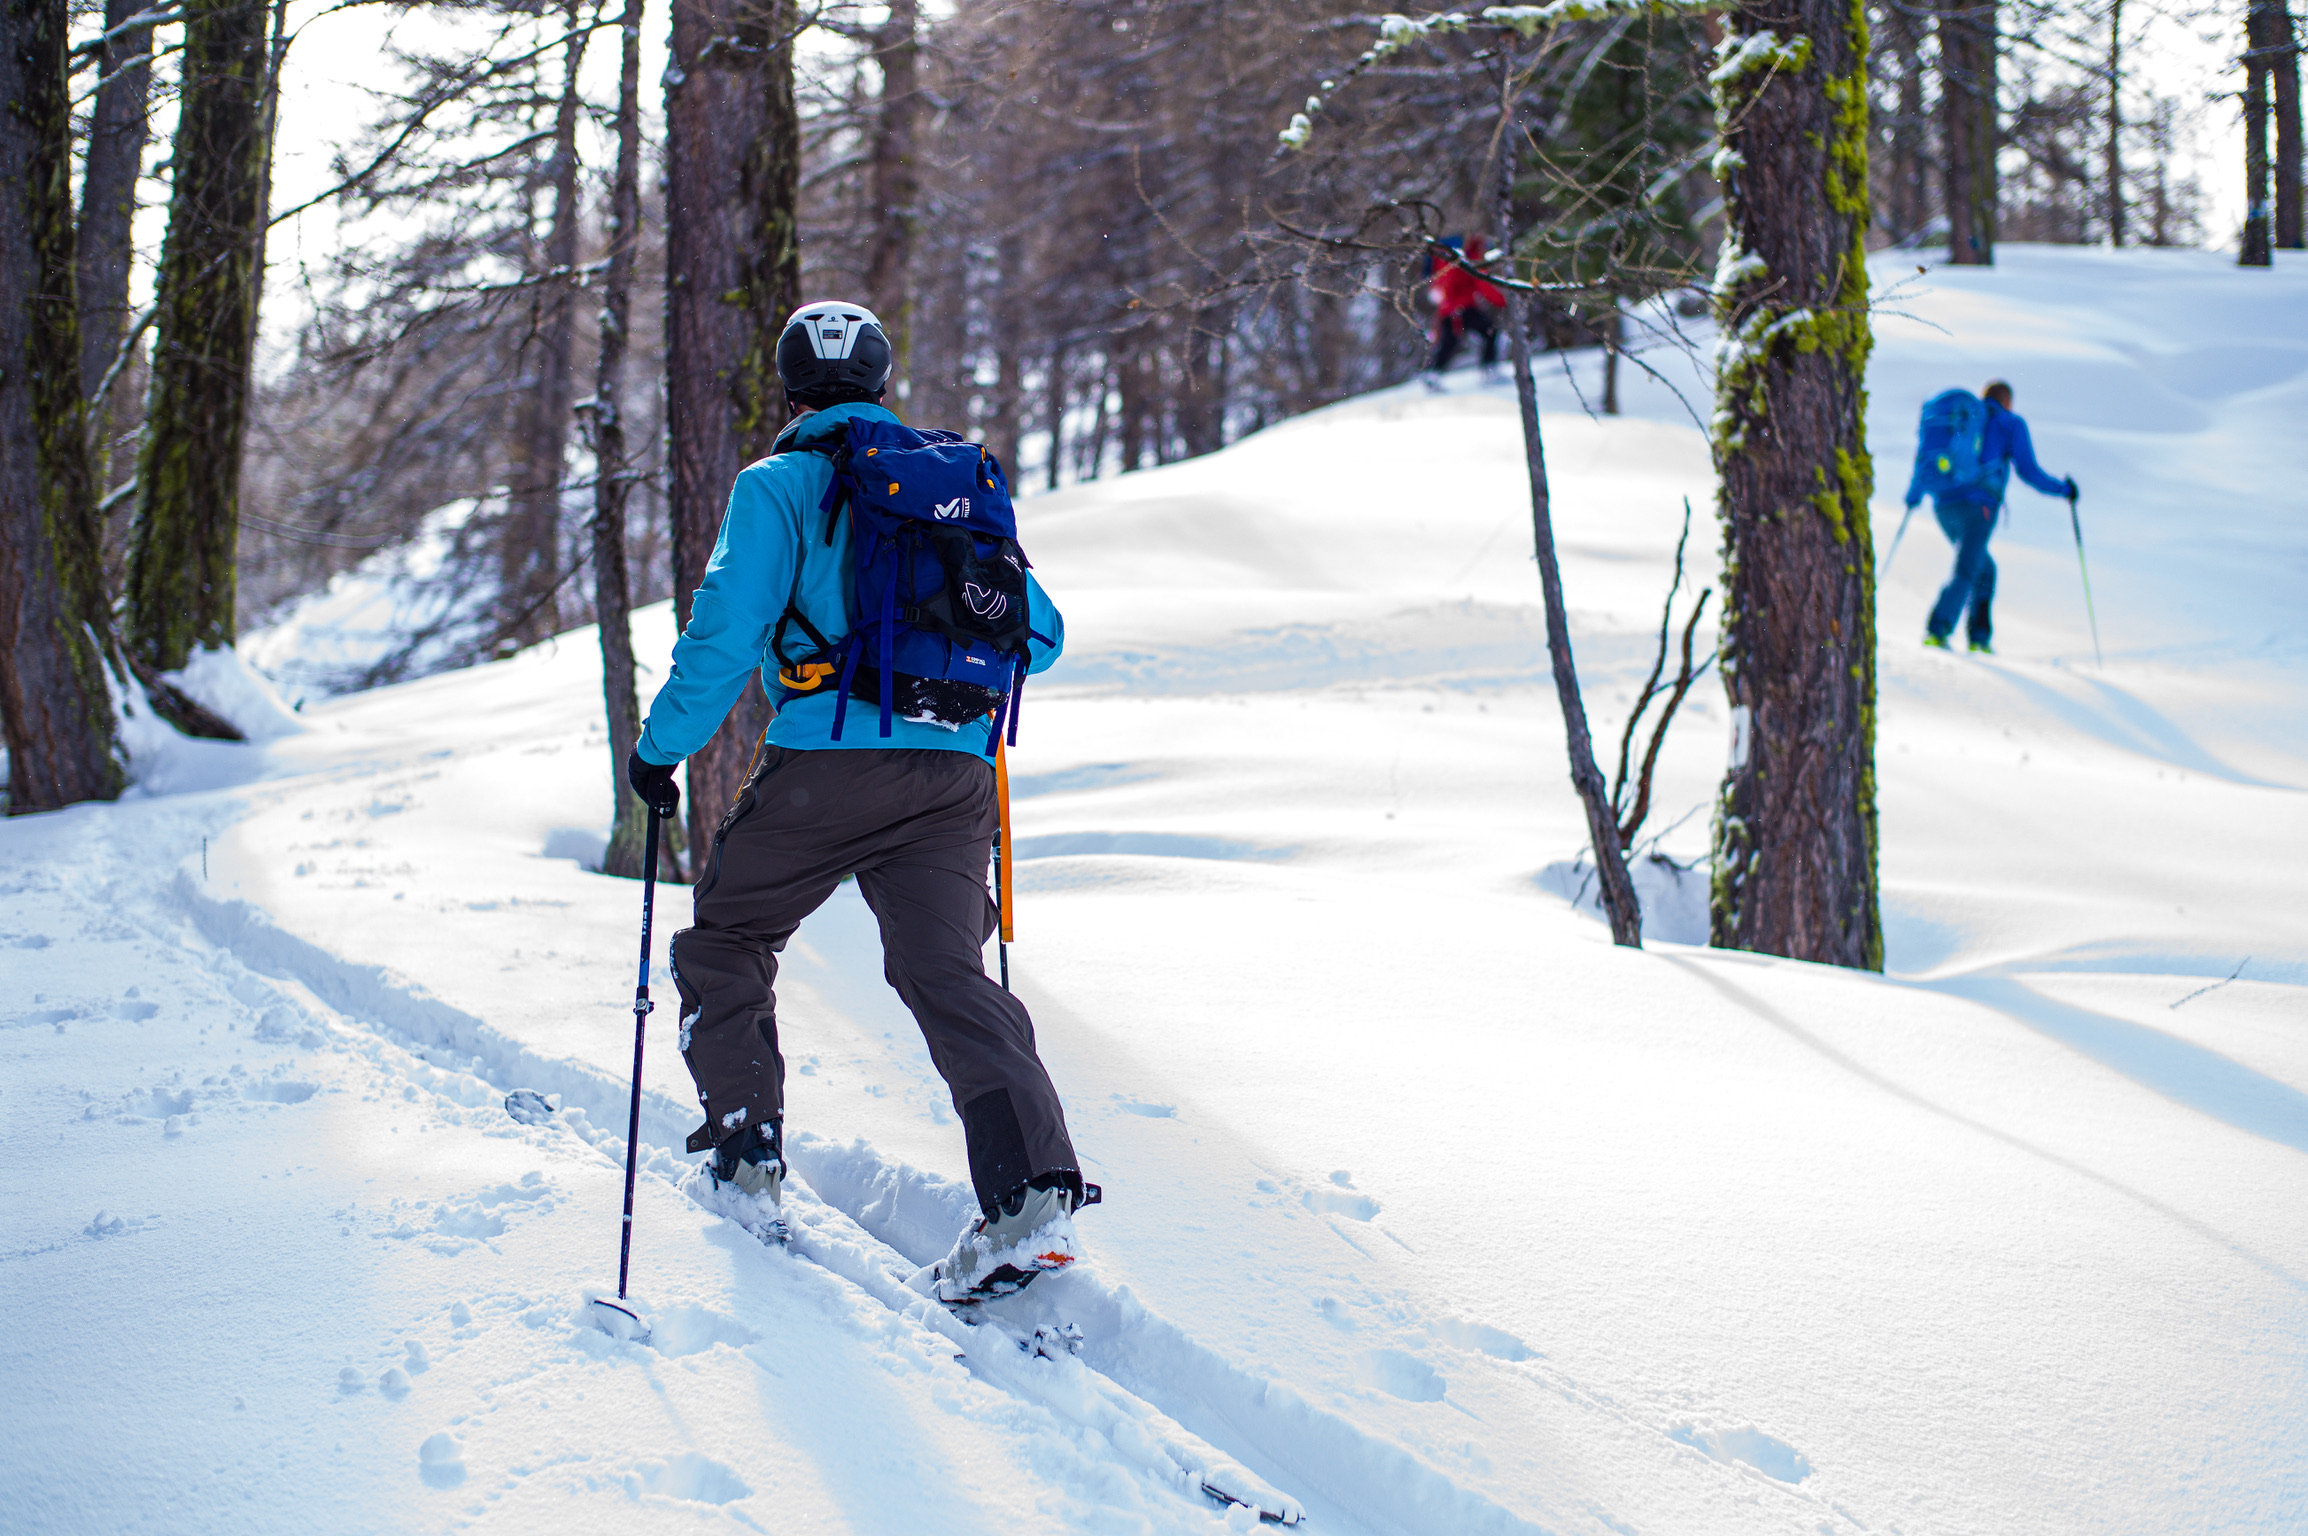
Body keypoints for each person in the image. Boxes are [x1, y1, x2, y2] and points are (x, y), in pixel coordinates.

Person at [625, 300, 1087, 1301]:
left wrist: (659, 752)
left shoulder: (777, 485)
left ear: (790, 392)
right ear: (883, 382)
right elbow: (1039, 638)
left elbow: (724, 638)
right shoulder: (955, 488)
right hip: (956, 777)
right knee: (946, 974)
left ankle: (747, 1157)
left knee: (728, 941)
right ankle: (1031, 1194)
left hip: (828, 760)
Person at [1905, 379, 2077, 653]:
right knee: (1968, 568)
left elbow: (1925, 456)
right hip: (1979, 508)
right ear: (2007, 400)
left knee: (1984, 569)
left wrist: (1914, 495)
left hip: (1943, 506)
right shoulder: (2009, 422)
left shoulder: (1961, 421)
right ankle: (1937, 629)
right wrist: (2064, 490)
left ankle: (1979, 638)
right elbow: (2029, 471)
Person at [1424, 234, 1505, 389]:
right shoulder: (1470, 259)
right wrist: (1503, 301)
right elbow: (1483, 284)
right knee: (1489, 331)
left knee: (1450, 342)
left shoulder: (1450, 258)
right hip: (1461, 308)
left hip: (1450, 309)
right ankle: (1489, 370)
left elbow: (1443, 285)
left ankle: (1432, 374)